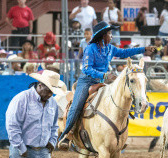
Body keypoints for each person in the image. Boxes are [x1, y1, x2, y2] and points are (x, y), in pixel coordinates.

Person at [58, 21, 156, 149]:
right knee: (76, 106)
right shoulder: (90, 48)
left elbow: (124, 52)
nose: (111, 36)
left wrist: (144, 49)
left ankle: (117, 136)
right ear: (103, 35)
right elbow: (87, 69)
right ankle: (66, 135)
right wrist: (104, 76)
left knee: (117, 101)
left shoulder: (109, 48)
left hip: (102, 81)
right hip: (87, 81)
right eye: (109, 34)